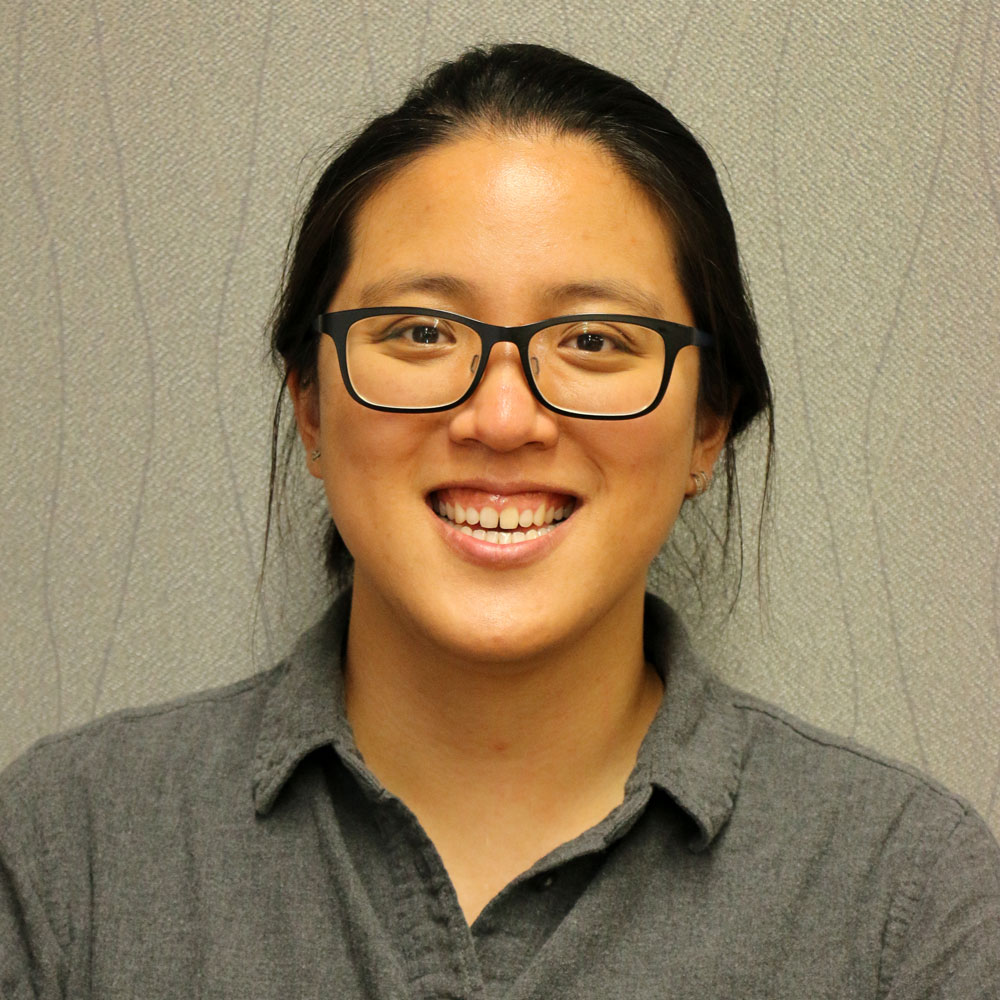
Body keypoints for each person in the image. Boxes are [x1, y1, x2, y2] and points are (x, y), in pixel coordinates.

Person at [1, 42, 997, 999]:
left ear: (707, 426)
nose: (503, 418)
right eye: (421, 331)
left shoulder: (907, 902)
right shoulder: (66, 853)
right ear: (310, 406)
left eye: (595, 339)